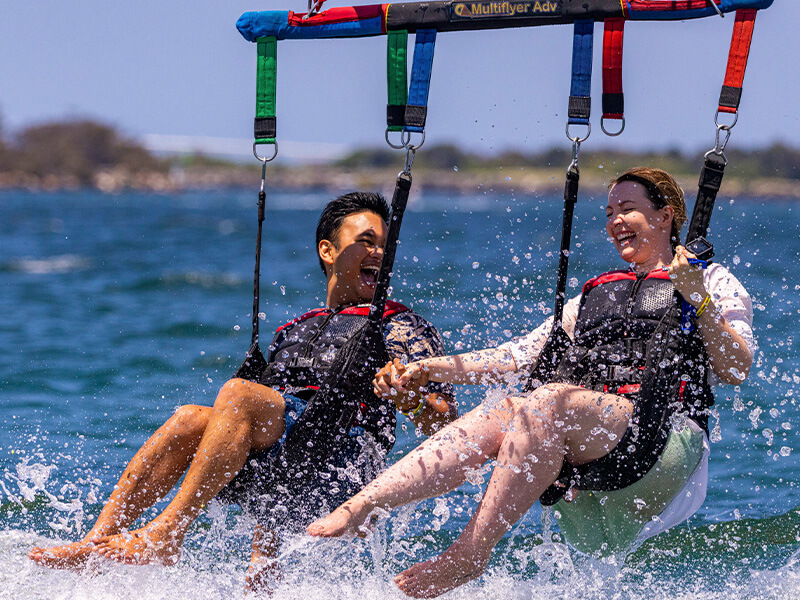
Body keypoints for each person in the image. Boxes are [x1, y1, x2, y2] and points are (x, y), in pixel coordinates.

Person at [308, 168, 755, 598]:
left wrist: (695, 297)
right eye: (608, 212)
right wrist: (431, 368)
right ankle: (361, 506)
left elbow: (737, 367)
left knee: (548, 400)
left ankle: (469, 553)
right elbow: (516, 357)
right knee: (508, 406)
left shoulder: (711, 282)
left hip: (661, 440)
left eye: (628, 209)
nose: (615, 221)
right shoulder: (592, 297)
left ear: (664, 216)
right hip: (590, 454)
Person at [29, 192, 457, 591]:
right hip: (286, 468)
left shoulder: (400, 326)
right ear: (328, 251)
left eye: (384, 244)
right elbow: (271, 434)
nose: (378, 253)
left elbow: (446, 422)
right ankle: (95, 543)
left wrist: (407, 395)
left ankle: (165, 535)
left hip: (341, 469)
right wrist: (263, 563)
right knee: (190, 418)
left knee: (237, 394)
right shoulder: (294, 330)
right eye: (365, 241)